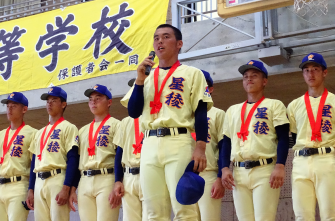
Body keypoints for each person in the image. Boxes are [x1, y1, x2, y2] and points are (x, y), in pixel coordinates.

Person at [122, 24, 213, 220]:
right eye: (156, 38)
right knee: (153, 210)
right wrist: (139, 80)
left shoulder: (192, 73)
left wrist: (200, 148)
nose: (159, 41)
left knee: (184, 207)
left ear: (179, 44)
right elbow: (133, 112)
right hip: (149, 143)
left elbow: (201, 113)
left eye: (165, 37)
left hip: (178, 140)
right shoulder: (145, 76)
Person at [221, 60, 290, 221]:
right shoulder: (232, 110)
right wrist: (225, 168)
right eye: (245, 77)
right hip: (238, 172)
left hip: (264, 169)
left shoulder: (274, 105)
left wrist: (280, 165)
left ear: (264, 81)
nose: (249, 79)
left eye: (254, 76)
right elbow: (226, 142)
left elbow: (283, 138)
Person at [287, 53, 335, 221]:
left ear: (325, 72)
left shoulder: (334, 101)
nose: (311, 74)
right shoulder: (294, 105)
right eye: (306, 70)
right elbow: (293, 134)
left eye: (315, 69)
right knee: (302, 216)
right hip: (301, 161)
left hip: (327, 159)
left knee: (330, 215)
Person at [26, 86, 79, 221]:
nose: (49, 103)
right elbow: (34, 162)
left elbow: (73, 158)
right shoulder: (39, 132)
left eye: (54, 100)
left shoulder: (69, 127)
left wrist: (66, 187)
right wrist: (31, 189)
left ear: (63, 104)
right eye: (48, 100)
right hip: (39, 181)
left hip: (57, 179)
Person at [68, 84, 120, 221]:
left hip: (107, 177)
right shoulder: (82, 130)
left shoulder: (116, 125)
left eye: (98, 98)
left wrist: (118, 182)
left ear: (109, 102)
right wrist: (73, 188)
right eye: (90, 99)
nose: (93, 102)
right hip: (84, 180)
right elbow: (77, 159)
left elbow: (120, 156)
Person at [0, 92, 37, 221]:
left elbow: (35, 165)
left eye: (14, 105)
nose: (9, 108)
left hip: (19, 185)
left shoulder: (33, 133)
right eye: (8, 105)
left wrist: (31, 189)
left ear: (24, 109)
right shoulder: (1, 134)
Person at [195, 70, 225, 221]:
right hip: (185, 174)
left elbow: (224, 147)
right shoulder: (183, 112)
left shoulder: (218, 113)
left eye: (203, 83)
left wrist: (220, 177)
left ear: (210, 88)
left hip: (208, 173)